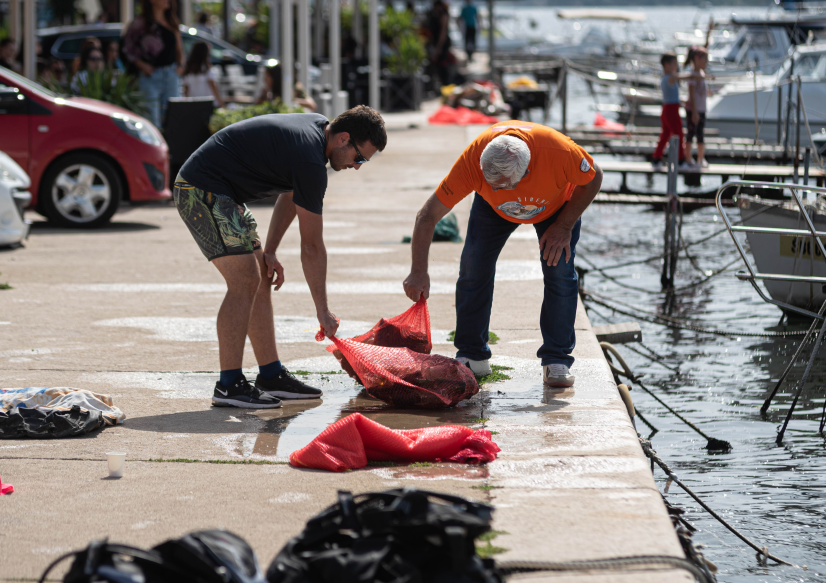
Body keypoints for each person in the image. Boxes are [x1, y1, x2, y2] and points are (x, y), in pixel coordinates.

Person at [174, 106, 388, 408]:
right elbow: (312, 247)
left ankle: (271, 375)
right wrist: (323, 311)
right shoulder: (310, 159)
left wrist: (270, 249)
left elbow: (291, 193)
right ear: (343, 138)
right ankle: (228, 385)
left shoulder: (317, 135)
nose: (358, 166)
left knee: (258, 276)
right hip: (200, 188)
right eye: (360, 157)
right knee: (244, 280)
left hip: (224, 193)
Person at [403, 120, 603, 388]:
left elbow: (593, 178)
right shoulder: (473, 160)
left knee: (560, 273)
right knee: (473, 268)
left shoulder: (559, 153)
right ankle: (472, 355)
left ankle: (557, 359)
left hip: (556, 208)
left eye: (503, 185)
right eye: (490, 183)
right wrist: (418, 270)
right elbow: (427, 216)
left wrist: (564, 225)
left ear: (527, 170)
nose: (495, 189)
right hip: (493, 211)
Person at [122, 0, 184, 126]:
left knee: (172, 122)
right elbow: (126, 49)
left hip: (171, 76)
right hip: (150, 78)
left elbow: (179, 49)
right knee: (152, 122)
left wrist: (180, 66)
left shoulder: (172, 21)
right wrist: (142, 65)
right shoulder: (139, 24)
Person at [650, 53, 688, 171]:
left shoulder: (669, 78)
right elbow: (685, 76)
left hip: (669, 109)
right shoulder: (670, 77)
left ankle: (656, 158)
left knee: (665, 135)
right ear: (666, 65)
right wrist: (699, 76)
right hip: (670, 111)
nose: (676, 66)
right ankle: (681, 161)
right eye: (674, 63)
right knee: (679, 135)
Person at [684, 46, 711, 167]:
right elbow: (692, 95)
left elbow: (703, 89)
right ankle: (688, 159)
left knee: (700, 135)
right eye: (704, 59)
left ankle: (701, 159)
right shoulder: (693, 75)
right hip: (693, 110)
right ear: (697, 59)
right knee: (690, 134)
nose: (706, 62)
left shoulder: (702, 74)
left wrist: (709, 92)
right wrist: (694, 112)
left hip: (702, 109)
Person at [182, 41, 224, 105]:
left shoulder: (188, 69)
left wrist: (186, 104)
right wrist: (221, 103)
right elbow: (213, 86)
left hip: (193, 104)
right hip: (207, 104)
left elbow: (186, 90)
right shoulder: (206, 69)